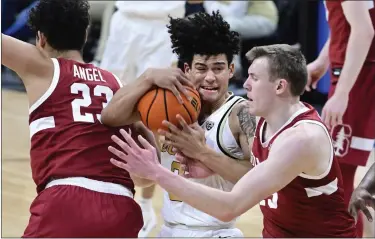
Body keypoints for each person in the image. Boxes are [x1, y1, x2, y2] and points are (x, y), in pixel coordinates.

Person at [108, 44, 358, 238]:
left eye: (254, 78)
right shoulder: (265, 123)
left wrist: (158, 171)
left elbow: (231, 205)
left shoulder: (300, 138)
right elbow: (110, 115)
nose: (245, 84)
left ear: (280, 86)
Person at [1, 0, 169, 237]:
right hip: (121, 207)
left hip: (66, 201)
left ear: (41, 39)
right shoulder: (117, 84)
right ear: (86, 33)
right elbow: (146, 175)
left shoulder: (43, 67)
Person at [101, 11, 255, 237]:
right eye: (201, 68)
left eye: (218, 68)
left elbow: (259, 179)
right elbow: (109, 117)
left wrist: (203, 153)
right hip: (170, 230)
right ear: (187, 70)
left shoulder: (241, 113)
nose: (210, 77)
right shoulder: (168, 103)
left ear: (231, 70)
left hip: (218, 232)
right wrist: (148, 77)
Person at [306, 1, 375, 236]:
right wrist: (321, 64)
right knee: (336, 176)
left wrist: (343, 92)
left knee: (338, 178)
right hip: (355, 72)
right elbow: (346, 24)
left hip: (359, 75)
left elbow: (364, 31)